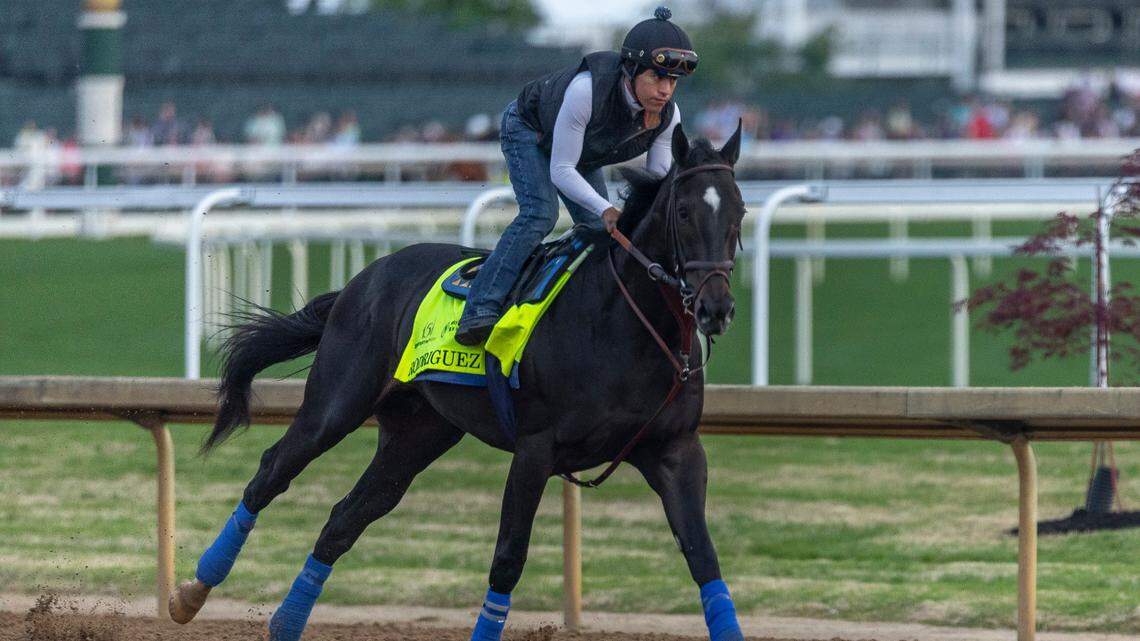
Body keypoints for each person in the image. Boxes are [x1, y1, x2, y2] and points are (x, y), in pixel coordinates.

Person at [454, 6, 698, 346]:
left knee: (603, 232)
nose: (665, 90)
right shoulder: (587, 91)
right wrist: (607, 208)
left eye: (672, 81)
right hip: (530, 131)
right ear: (630, 70)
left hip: (582, 150)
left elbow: (655, 180)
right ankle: (479, 308)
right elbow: (560, 170)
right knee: (541, 214)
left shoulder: (668, 117)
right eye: (656, 78)